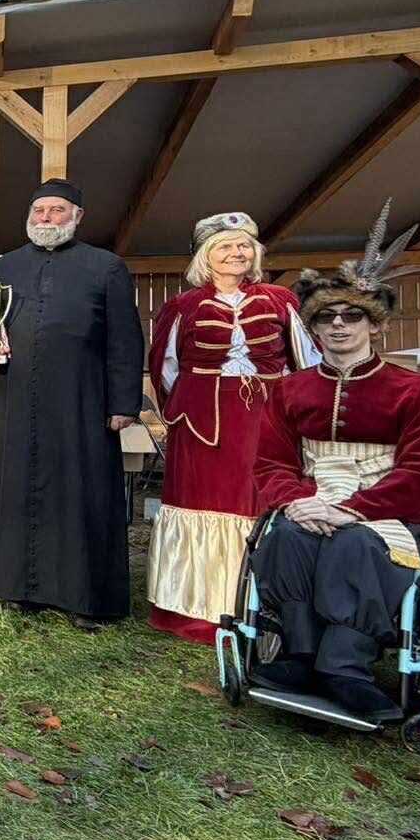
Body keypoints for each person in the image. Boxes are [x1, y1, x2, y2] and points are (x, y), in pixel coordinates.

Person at [250, 205, 420, 720]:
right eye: (326, 318)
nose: (339, 326)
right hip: (312, 497)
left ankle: (345, 664)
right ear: (314, 329)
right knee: (288, 537)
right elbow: (271, 461)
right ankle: (300, 654)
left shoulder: (416, 390)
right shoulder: (292, 390)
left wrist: (356, 509)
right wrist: (298, 503)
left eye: (352, 316)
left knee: (353, 542)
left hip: (387, 506)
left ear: (375, 325)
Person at [0, 179, 144, 629]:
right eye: (39, 210)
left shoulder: (105, 267)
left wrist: (123, 401)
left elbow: (125, 339)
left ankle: (85, 599)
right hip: (17, 398)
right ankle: (17, 587)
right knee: (18, 489)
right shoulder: (6, 266)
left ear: (78, 216)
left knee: (80, 493)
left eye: (57, 210)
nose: (46, 218)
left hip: (81, 403)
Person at [144, 213, 315, 643]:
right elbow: (164, 366)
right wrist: (184, 406)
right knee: (203, 502)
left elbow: (306, 360)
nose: (236, 254)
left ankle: (262, 604)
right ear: (206, 256)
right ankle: (198, 608)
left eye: (243, 246)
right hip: (202, 423)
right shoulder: (182, 306)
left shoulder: (280, 300)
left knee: (260, 502)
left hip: (267, 418)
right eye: (225, 247)